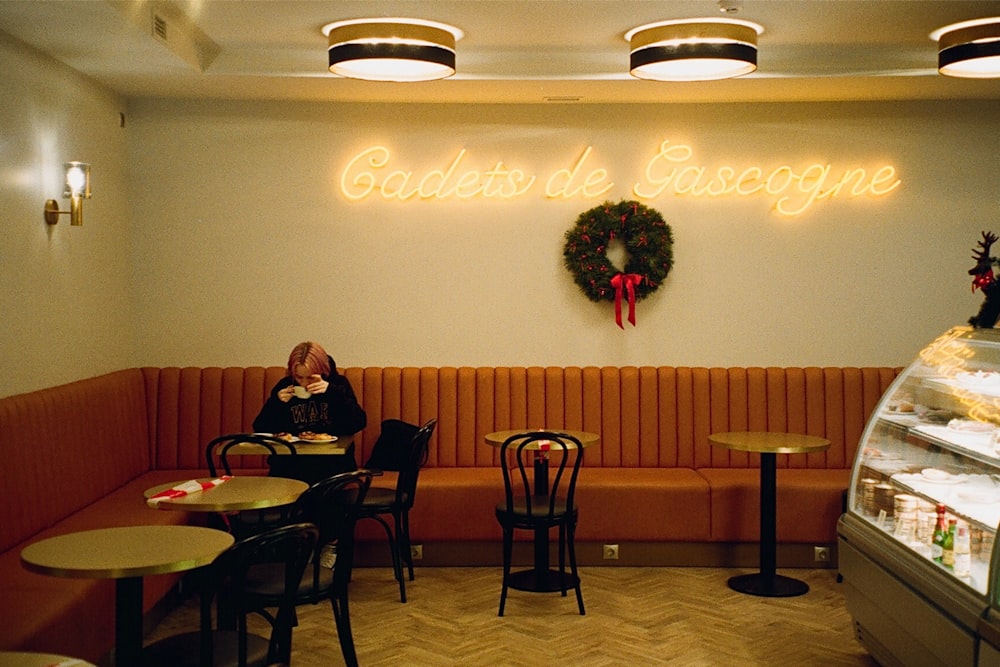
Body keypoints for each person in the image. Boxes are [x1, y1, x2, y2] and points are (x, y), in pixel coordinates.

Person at [253, 341, 367, 485]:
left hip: (333, 467)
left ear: (323, 371)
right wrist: (276, 403)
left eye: (311, 377)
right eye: (299, 377)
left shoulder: (338, 384)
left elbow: (358, 423)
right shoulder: (285, 386)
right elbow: (260, 428)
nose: (304, 384)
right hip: (290, 467)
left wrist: (333, 392)